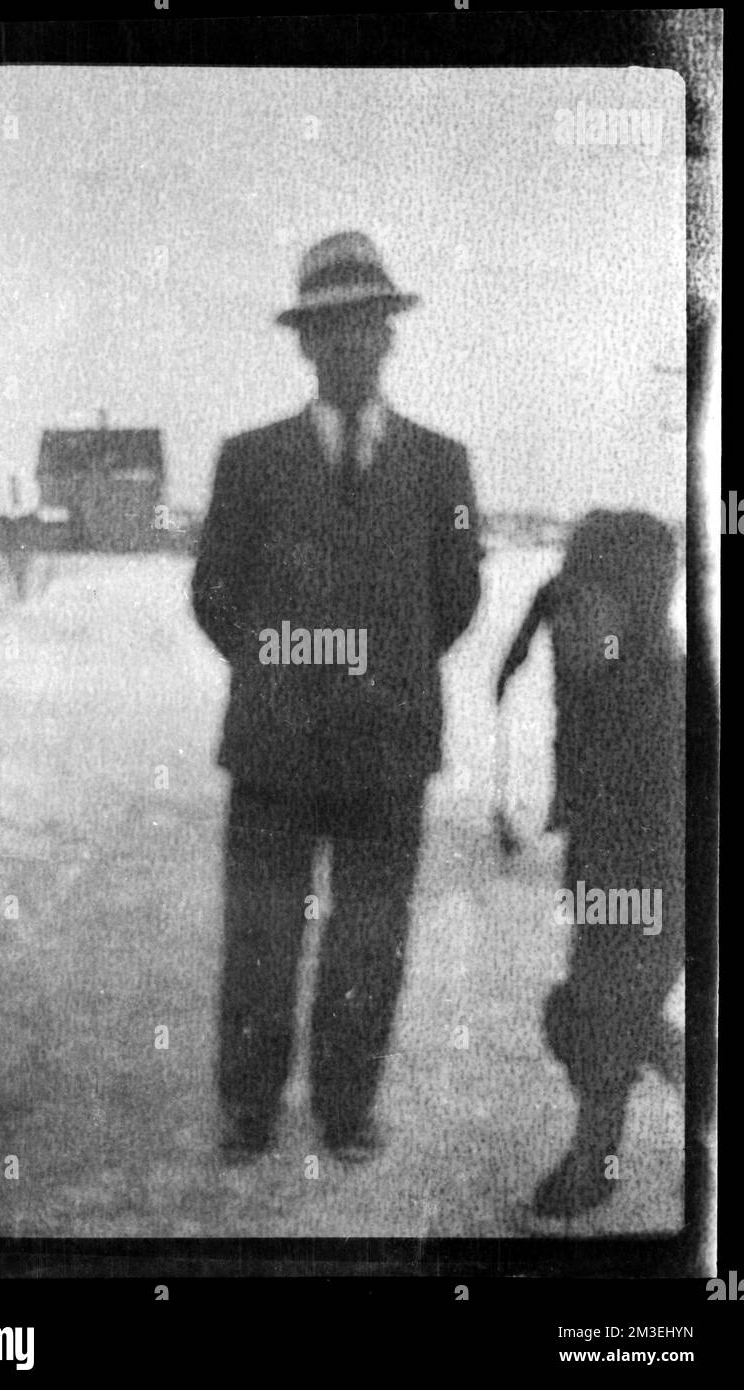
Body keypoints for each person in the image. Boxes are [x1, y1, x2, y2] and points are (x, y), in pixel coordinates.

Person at [192, 231, 482, 1163]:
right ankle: (247, 1111)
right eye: (331, 331)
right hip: (274, 752)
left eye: (367, 327)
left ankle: (346, 1110)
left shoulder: (443, 466)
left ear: (390, 338)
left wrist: (380, 675)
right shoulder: (249, 461)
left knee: (368, 947)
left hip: (389, 753)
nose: (352, 346)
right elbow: (215, 594)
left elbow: (457, 594)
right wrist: (289, 673)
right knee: (261, 940)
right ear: (304, 345)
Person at [528, 510, 685, 1218]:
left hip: (656, 890)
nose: (561, 624)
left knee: (596, 1022)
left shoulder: (660, 701)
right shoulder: (602, 679)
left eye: (582, 605)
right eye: (562, 603)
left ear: (634, 609)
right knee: (595, 1019)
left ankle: (595, 1164)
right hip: (609, 883)